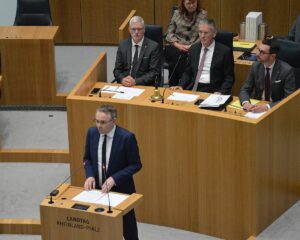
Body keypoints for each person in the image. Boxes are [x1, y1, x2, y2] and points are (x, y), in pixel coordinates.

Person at [83, 105, 142, 240]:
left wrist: (114, 178)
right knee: (99, 228)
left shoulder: (127, 138)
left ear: (113, 121)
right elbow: (87, 159)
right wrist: (90, 175)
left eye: (103, 122)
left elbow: (136, 164)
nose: (99, 125)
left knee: (128, 230)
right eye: (97, 121)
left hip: (121, 190)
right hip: (97, 191)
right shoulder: (91, 133)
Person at [170, 18, 234, 94]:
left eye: (206, 33)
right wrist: (181, 85)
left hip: (213, 90)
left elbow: (229, 78)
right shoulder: (194, 49)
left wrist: (221, 92)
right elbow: (188, 72)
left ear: (214, 34)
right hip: (193, 87)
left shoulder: (225, 52)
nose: (202, 36)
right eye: (200, 32)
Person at [239, 37, 296, 113]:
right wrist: (246, 103)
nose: (257, 54)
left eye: (262, 52)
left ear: (273, 56)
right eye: (258, 50)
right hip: (256, 107)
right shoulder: (255, 66)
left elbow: (289, 99)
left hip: (276, 109)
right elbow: (245, 89)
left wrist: (267, 107)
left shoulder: (286, 71)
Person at [165, 0, 207, 86]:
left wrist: (191, 46)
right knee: (177, 55)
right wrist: (178, 45)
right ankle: (174, 85)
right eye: (188, 3)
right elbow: (169, 33)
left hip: (194, 45)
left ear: (197, 2)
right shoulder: (177, 13)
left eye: (193, 3)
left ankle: (183, 86)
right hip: (176, 45)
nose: (191, 5)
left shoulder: (203, 14)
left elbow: (203, 34)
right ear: (183, 4)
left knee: (188, 56)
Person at [113, 16, 161, 87]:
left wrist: (135, 81)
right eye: (133, 29)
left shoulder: (153, 47)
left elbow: (154, 72)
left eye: (139, 29)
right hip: (125, 85)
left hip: (143, 85)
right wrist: (122, 79)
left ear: (144, 30)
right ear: (129, 30)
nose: (136, 32)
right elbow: (117, 70)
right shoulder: (123, 45)